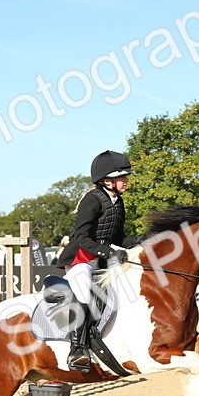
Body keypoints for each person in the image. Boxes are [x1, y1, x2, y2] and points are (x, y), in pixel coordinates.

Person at [53, 149, 140, 372]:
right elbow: (81, 238)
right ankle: (77, 348)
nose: (126, 181)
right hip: (80, 259)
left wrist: (140, 240)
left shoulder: (118, 202)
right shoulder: (92, 200)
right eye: (122, 177)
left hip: (100, 260)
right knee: (83, 291)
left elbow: (118, 238)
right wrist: (109, 253)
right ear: (107, 181)